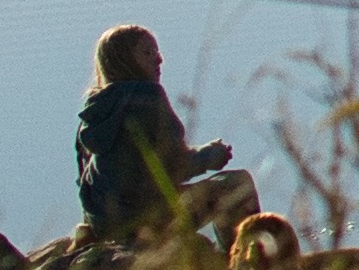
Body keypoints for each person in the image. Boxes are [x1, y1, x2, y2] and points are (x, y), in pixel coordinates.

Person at [71, 23, 241, 253]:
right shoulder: (147, 97)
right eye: (147, 52)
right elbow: (173, 167)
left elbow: (91, 180)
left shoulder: (93, 113)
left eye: (157, 52)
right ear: (125, 60)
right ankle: (237, 261)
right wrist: (211, 156)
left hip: (106, 227)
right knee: (236, 186)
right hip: (148, 222)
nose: (159, 60)